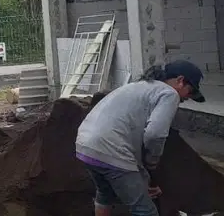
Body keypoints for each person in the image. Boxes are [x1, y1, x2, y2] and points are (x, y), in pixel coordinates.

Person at [75, 59, 205, 216]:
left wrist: (143, 178)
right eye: (190, 92)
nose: (187, 98)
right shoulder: (169, 94)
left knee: (105, 195)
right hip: (110, 149)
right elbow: (155, 134)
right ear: (180, 81)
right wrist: (151, 164)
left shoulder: (138, 86)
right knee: (145, 210)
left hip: (85, 145)